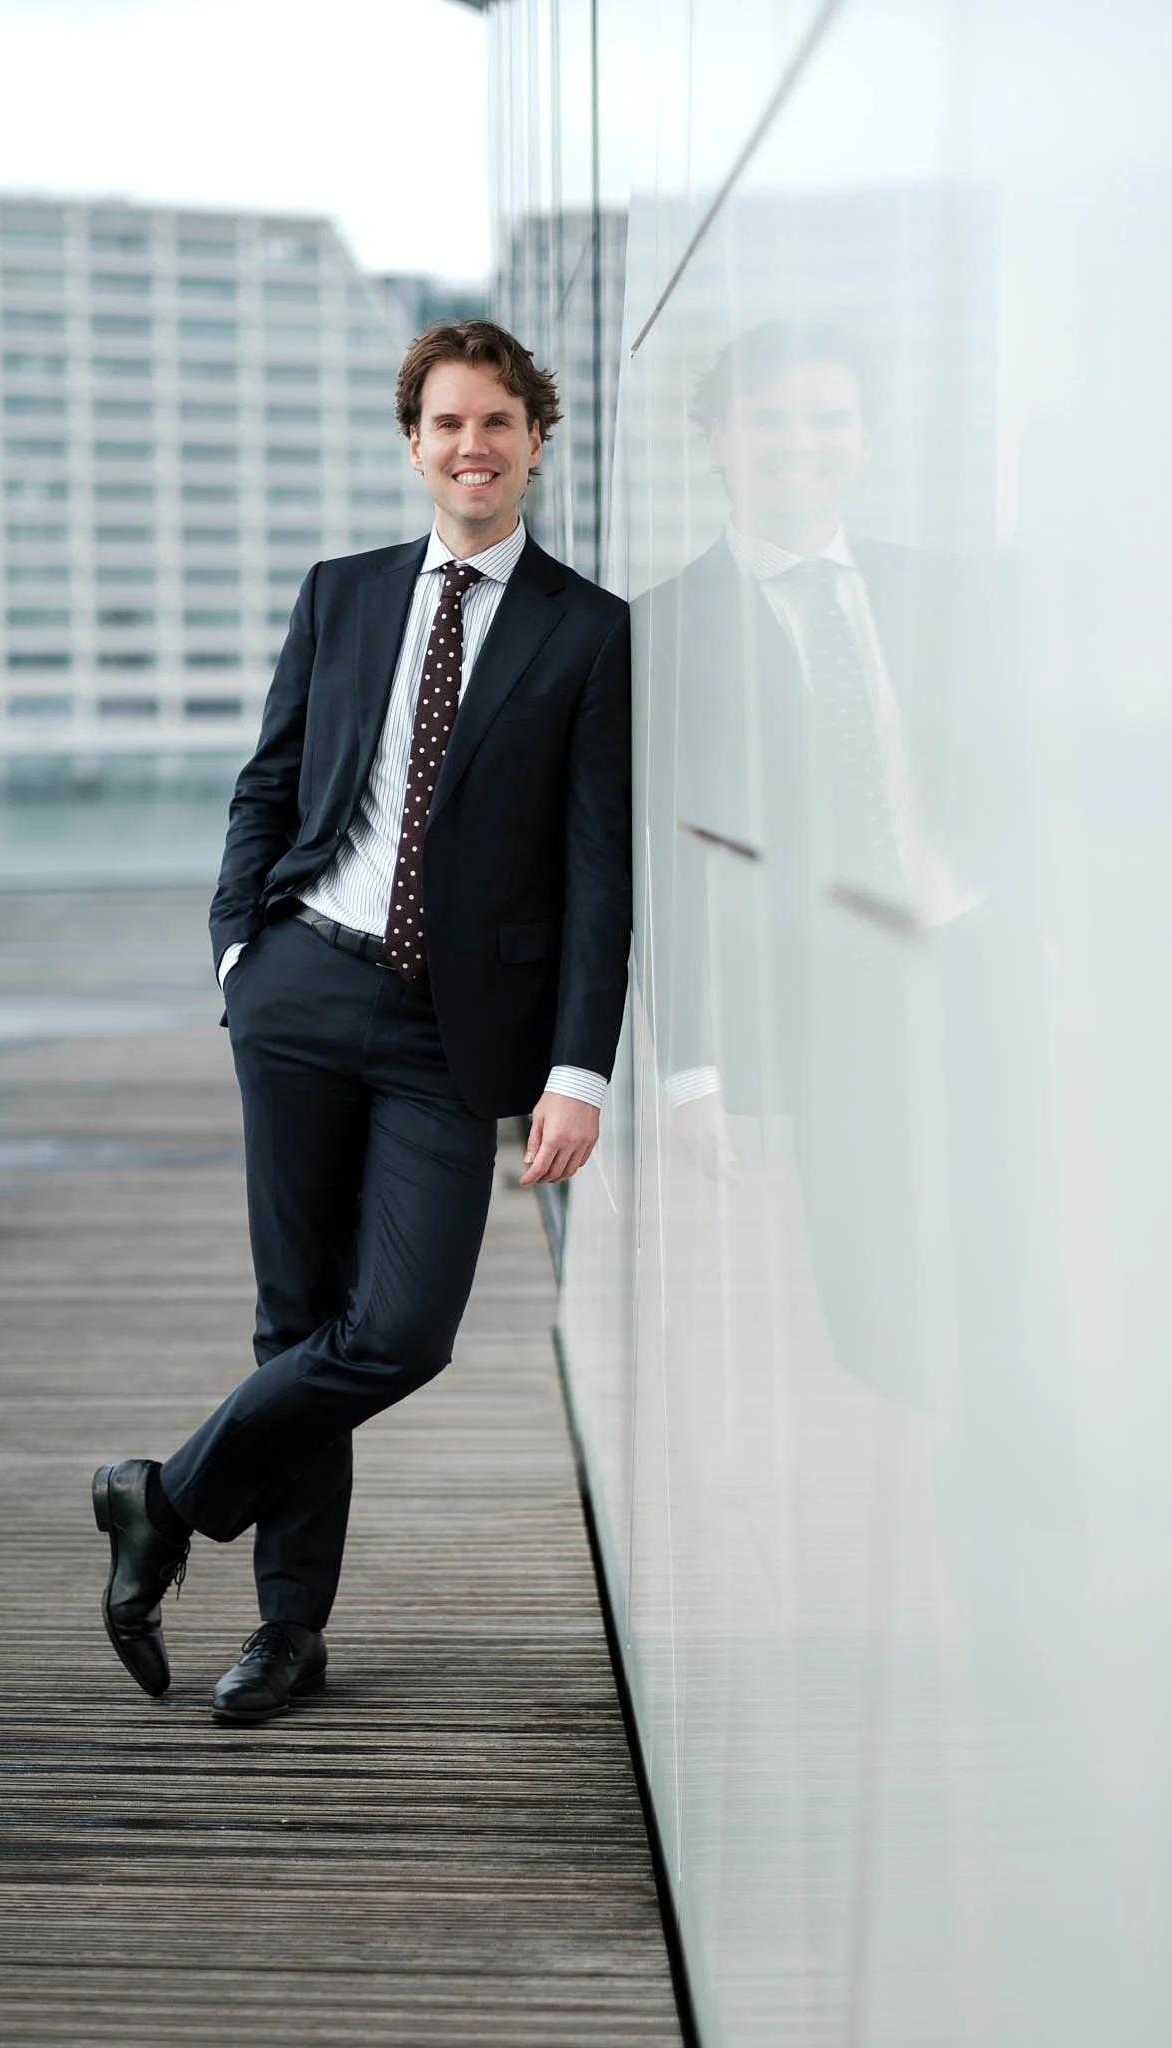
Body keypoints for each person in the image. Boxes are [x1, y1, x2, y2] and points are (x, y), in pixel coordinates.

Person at [93, 321, 632, 1723]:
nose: (472, 447)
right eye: (447, 424)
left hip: (458, 1033)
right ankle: (287, 1635)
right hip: (302, 984)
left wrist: (580, 1068)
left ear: (534, 440)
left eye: (498, 423)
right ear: (413, 444)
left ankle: (162, 1499)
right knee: (298, 1322)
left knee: (398, 1329)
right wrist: (236, 955)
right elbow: (266, 783)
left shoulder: (589, 631)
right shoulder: (340, 596)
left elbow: (597, 873)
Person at [641, 320, 1025, 1402]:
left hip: (978, 962)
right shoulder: (664, 631)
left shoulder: (943, 592)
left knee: (1011, 1262)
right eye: (769, 419)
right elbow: (667, 864)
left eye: (828, 419)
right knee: (875, 1300)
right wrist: (692, 1066)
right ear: (718, 437)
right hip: (829, 997)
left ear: (863, 440)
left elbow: (1017, 785)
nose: (799, 443)